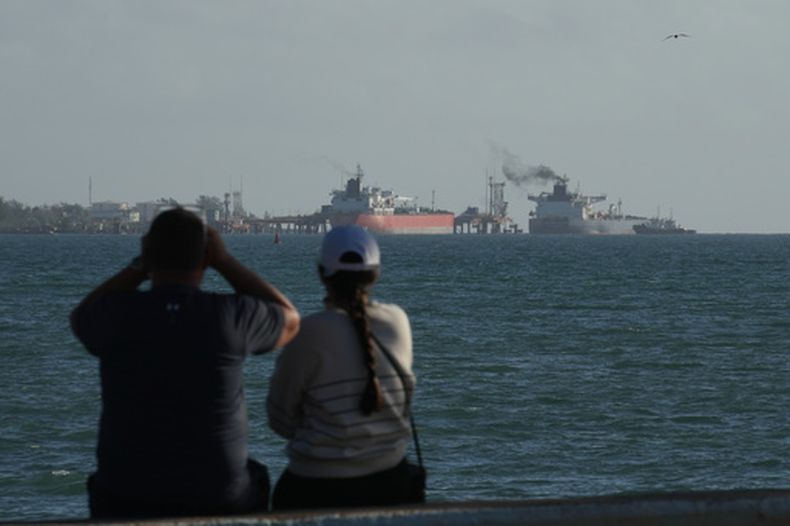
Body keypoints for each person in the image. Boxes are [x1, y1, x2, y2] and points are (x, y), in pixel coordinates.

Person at [70, 207, 300, 518]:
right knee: (254, 475)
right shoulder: (229, 317)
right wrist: (225, 261)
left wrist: (139, 266)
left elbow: (81, 317)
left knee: (104, 482)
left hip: (125, 497)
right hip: (219, 498)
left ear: (147, 251)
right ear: (205, 256)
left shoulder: (118, 315)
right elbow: (290, 320)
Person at [267, 225, 417, 510]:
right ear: (376, 274)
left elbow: (280, 420)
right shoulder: (398, 321)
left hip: (317, 486)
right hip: (390, 483)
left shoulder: (308, 333)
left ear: (322, 274)